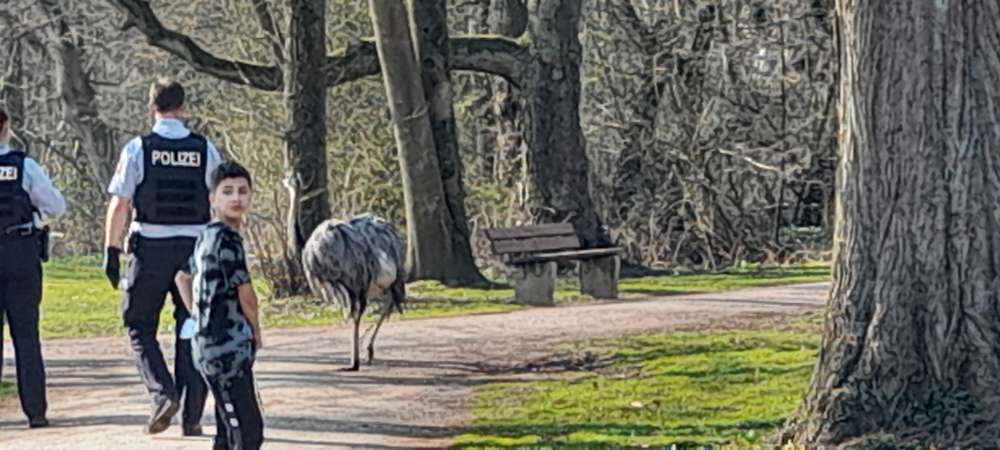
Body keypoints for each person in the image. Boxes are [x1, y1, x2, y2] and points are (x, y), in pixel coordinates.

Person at [103, 78, 218, 435]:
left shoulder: (139, 148)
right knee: (192, 326)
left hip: (150, 248)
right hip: (195, 249)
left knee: (138, 324)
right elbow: (220, 198)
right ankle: (194, 416)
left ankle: (162, 393)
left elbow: (121, 203)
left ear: (152, 106)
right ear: (183, 107)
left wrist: (111, 248)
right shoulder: (205, 149)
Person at [175, 161, 264, 450]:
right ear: (212, 199)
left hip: (208, 347)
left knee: (228, 431)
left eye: (242, 191)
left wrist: (196, 315)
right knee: (247, 433)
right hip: (226, 349)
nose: (236, 198)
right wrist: (256, 331)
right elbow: (246, 294)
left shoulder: (206, 235)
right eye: (227, 191)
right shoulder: (227, 239)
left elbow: (182, 278)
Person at [0, 107, 67, 428]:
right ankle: (36, 412)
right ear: (6, 128)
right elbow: (56, 206)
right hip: (20, 252)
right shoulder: (24, 166)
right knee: (26, 336)